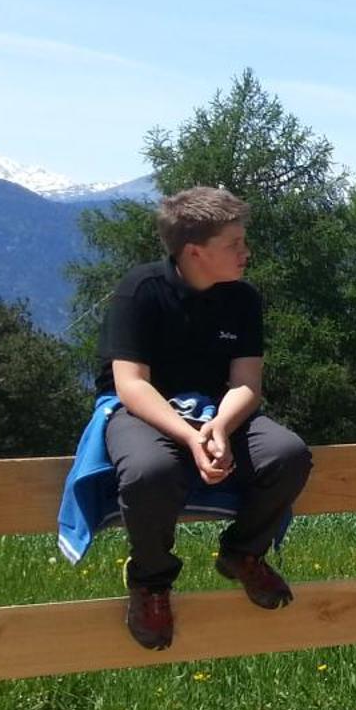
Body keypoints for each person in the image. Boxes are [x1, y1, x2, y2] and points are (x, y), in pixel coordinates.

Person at [96, 187, 312, 650]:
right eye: (234, 244)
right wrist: (191, 439)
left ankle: (243, 553)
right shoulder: (141, 291)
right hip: (145, 408)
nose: (246, 252)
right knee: (151, 471)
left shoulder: (244, 299)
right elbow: (130, 385)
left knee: (288, 455)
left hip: (220, 408)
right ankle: (151, 582)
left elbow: (246, 383)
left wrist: (217, 428)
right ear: (195, 252)